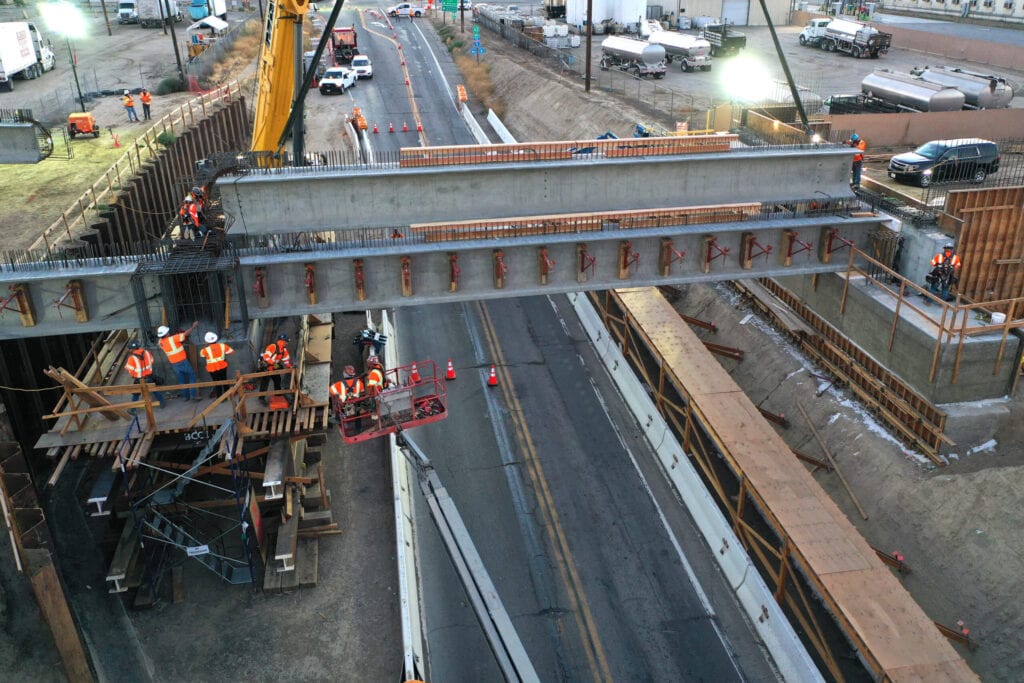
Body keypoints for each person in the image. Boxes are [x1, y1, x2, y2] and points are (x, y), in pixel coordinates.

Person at [158, 322, 199, 400]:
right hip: (183, 361)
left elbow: (161, 340)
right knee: (192, 376)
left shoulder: (160, 342)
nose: (169, 333)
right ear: (166, 333)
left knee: (182, 380)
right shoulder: (173, 338)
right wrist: (193, 327)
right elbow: (185, 334)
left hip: (174, 364)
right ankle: (193, 395)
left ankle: (185, 397)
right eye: (168, 332)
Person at [125, 340, 164, 413]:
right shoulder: (147, 352)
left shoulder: (132, 358)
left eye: (129, 349)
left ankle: (133, 410)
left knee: (135, 394)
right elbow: (152, 361)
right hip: (149, 377)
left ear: (133, 349)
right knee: (154, 390)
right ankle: (162, 403)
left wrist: (135, 374)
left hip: (139, 379)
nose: (129, 350)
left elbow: (129, 370)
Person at [329, 365, 364, 433]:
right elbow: (362, 391)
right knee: (357, 414)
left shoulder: (339, 384)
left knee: (338, 407)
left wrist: (338, 394)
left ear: (344, 374)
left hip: (344, 406)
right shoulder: (359, 382)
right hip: (355, 405)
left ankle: (339, 420)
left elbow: (331, 390)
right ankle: (358, 428)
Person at [259, 334, 293, 404]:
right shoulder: (272, 347)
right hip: (266, 367)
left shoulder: (284, 350)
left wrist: (290, 366)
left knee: (277, 380)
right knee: (265, 383)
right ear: (282, 341)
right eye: (286, 342)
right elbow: (266, 357)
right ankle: (261, 398)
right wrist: (273, 363)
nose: (286, 343)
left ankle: (278, 394)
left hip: (273, 367)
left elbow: (286, 360)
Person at [199, 332, 234, 397]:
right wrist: (223, 354)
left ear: (207, 341)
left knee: (217, 383)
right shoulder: (222, 346)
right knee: (224, 381)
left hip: (212, 369)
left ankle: (220, 397)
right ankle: (228, 395)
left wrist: (205, 345)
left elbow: (201, 355)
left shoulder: (206, 350)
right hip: (222, 366)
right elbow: (231, 351)